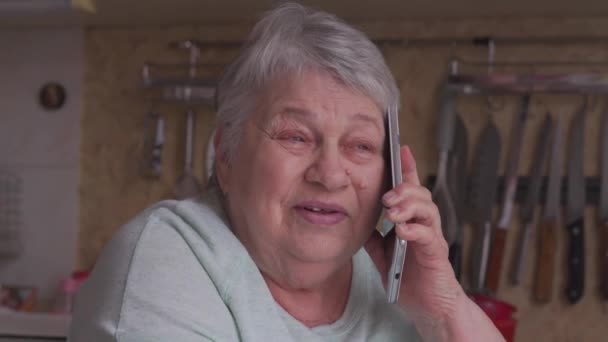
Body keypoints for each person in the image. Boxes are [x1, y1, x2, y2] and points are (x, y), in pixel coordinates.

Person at [69, 2, 503, 341]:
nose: (331, 175)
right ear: (226, 154)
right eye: (296, 136)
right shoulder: (167, 261)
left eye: (361, 146)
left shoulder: (394, 282)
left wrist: (445, 314)